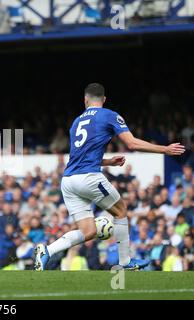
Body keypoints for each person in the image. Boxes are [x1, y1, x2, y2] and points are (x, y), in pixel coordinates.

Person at [34, 83, 185, 271]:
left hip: (69, 181)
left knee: (88, 231)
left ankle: (47, 251)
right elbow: (131, 143)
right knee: (120, 211)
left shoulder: (76, 122)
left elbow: (79, 157)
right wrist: (165, 149)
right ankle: (125, 262)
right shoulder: (109, 115)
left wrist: (108, 162)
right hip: (88, 178)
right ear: (104, 100)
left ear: (85, 100)